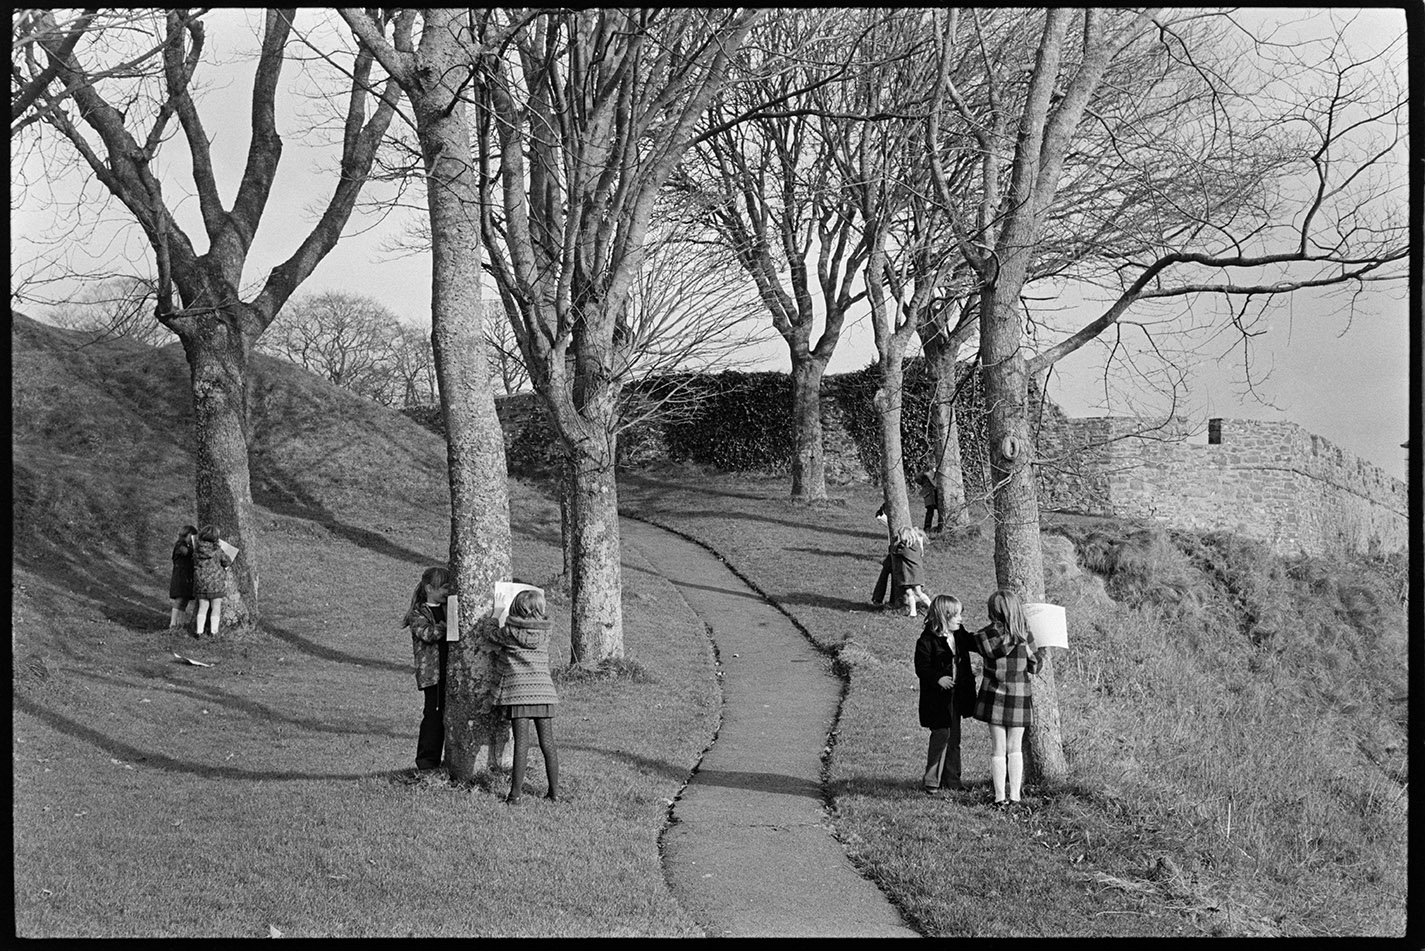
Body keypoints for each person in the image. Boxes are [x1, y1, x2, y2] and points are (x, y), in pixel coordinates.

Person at [970, 589, 1042, 808]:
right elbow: (1035, 666)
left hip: (993, 694)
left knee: (998, 748)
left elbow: (984, 650)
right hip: (1019, 695)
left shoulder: (983, 636)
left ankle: (999, 797)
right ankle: (1016, 796)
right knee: (1015, 748)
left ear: (992, 610)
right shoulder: (1024, 635)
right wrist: (1043, 652)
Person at [489, 588, 560, 804]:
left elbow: (490, 634)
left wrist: (496, 613)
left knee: (522, 744)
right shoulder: (547, 631)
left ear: (517, 608)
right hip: (544, 692)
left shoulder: (509, 632)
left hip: (518, 693)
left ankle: (515, 795)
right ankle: (554, 793)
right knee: (548, 743)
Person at [914, 595, 974, 794]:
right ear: (943, 616)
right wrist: (938, 678)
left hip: (956, 696)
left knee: (954, 738)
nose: (960, 619)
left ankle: (952, 779)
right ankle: (931, 779)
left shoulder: (959, 635)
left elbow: (976, 643)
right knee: (941, 735)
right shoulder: (927, 640)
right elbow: (922, 667)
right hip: (937, 699)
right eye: (956, 616)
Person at [403, 566, 451, 773]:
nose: (447, 592)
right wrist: (446, 626)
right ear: (430, 588)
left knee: (447, 715)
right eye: (443, 588)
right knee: (433, 715)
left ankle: (442, 757)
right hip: (433, 674)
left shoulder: (450, 607)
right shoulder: (419, 612)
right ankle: (427, 761)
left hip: (449, 672)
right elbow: (427, 634)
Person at [191, 525, 233, 637]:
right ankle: (214, 631)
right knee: (216, 607)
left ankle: (199, 632)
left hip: (201, 583)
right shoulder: (217, 550)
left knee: (202, 607)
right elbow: (227, 561)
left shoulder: (196, 550)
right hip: (216, 583)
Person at [890, 525, 933, 617]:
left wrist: (895, 543)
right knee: (918, 592)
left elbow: (894, 552)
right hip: (917, 574)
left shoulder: (903, 548)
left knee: (910, 593)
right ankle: (929, 607)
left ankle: (915, 611)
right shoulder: (916, 547)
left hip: (907, 575)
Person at [167, 524, 198, 629]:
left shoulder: (188, 546)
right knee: (179, 599)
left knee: (185, 600)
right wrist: (196, 547)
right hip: (180, 576)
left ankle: (181, 622)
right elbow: (186, 553)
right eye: (192, 536)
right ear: (187, 534)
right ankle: (173, 623)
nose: (192, 539)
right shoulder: (180, 545)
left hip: (187, 576)